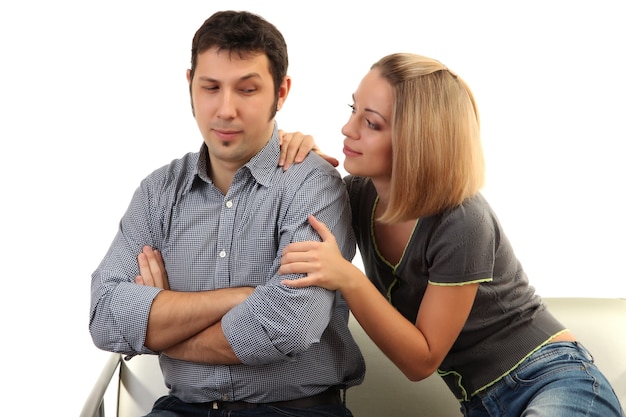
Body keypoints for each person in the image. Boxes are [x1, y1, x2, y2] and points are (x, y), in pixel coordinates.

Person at [278, 53, 625, 416]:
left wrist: (347, 277)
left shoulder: (462, 221)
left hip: (553, 379)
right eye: (353, 110)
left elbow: (422, 360)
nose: (348, 129)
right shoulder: (357, 196)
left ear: (417, 140)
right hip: (480, 404)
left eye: (372, 123)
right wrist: (296, 152)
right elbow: (291, 196)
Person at [89, 10, 365, 417]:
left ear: (281, 92)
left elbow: (288, 324)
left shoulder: (312, 185)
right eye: (211, 87)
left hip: (294, 411)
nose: (225, 109)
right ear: (190, 86)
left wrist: (162, 321)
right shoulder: (158, 192)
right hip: (183, 408)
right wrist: (242, 297)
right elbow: (106, 314)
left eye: (247, 89)